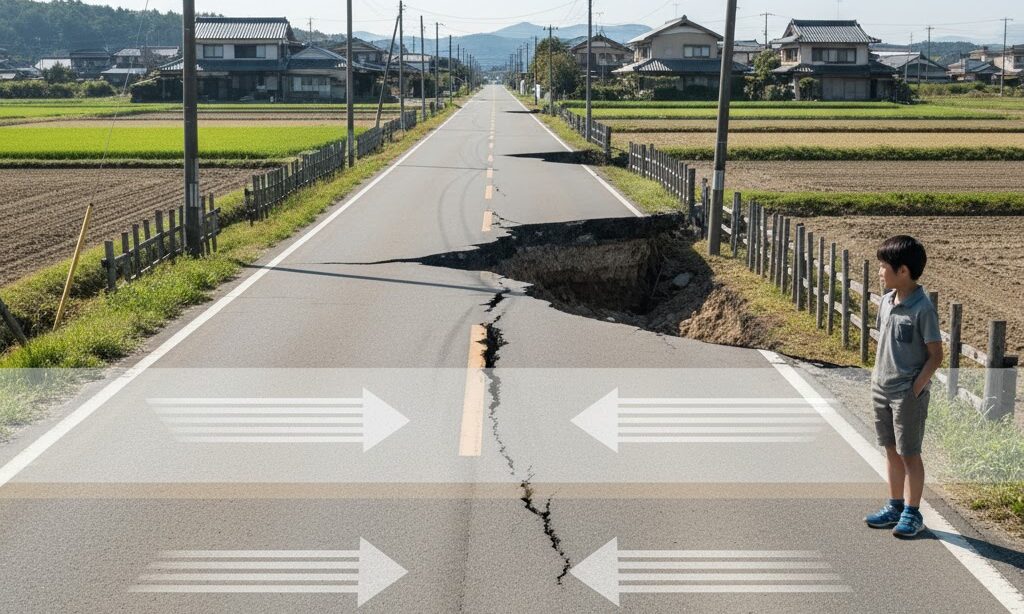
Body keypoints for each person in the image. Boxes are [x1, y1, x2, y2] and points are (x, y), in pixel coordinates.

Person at [864, 236, 943, 538]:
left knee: (910, 453)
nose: (880, 272)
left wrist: (915, 389)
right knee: (890, 449)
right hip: (881, 387)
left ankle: (913, 512)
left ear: (904, 271)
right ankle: (895, 506)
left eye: (884, 267)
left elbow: (936, 356)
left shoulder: (923, 309)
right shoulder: (886, 300)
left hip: (906, 394)